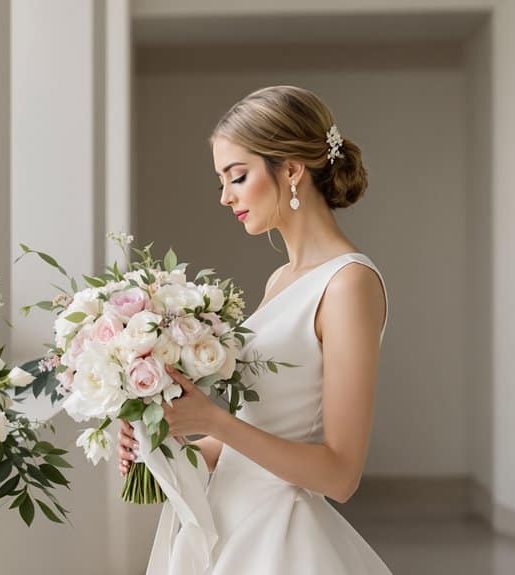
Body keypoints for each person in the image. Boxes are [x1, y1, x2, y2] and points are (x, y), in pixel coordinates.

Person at [119, 85, 392, 574]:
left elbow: (340, 474)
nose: (225, 197)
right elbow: (252, 439)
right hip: (227, 521)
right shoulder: (281, 279)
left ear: (290, 169)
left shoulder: (348, 283)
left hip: (278, 542)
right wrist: (164, 441)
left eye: (238, 177)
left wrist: (214, 421)